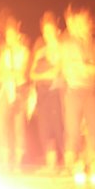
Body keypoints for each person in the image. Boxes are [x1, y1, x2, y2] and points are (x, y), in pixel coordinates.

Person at [61, 5, 95, 173]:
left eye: (86, 20)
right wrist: (91, 67)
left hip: (92, 89)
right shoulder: (68, 43)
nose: (84, 24)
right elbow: (74, 68)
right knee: (72, 128)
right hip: (74, 89)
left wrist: (89, 67)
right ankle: (71, 164)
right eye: (80, 21)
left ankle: (94, 162)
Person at [0, 16, 29, 171]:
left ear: (17, 34)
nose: (9, 38)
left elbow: (21, 74)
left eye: (12, 35)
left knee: (19, 126)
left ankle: (18, 162)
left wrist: (10, 72)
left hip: (19, 91)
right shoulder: (4, 52)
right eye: (7, 36)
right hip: (6, 90)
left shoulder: (24, 51)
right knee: (2, 124)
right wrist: (9, 73)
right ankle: (6, 159)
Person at [30, 11, 65, 173]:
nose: (48, 35)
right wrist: (44, 73)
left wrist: (42, 73)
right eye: (45, 31)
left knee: (59, 126)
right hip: (42, 94)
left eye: (50, 31)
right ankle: (51, 164)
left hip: (56, 91)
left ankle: (66, 162)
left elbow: (56, 72)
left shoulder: (62, 48)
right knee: (45, 127)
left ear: (57, 31)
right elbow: (32, 74)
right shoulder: (41, 51)